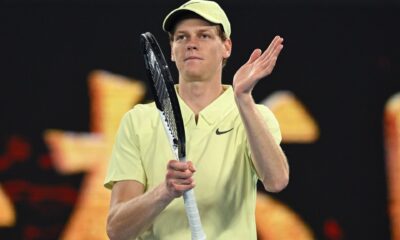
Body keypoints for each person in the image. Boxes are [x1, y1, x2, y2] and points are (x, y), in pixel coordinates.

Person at [104, 0, 289, 239]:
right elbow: (117, 230)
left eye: (204, 36)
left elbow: (276, 180)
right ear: (171, 50)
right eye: (181, 37)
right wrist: (165, 191)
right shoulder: (138, 121)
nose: (191, 44)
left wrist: (243, 98)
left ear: (226, 47)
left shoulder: (256, 116)